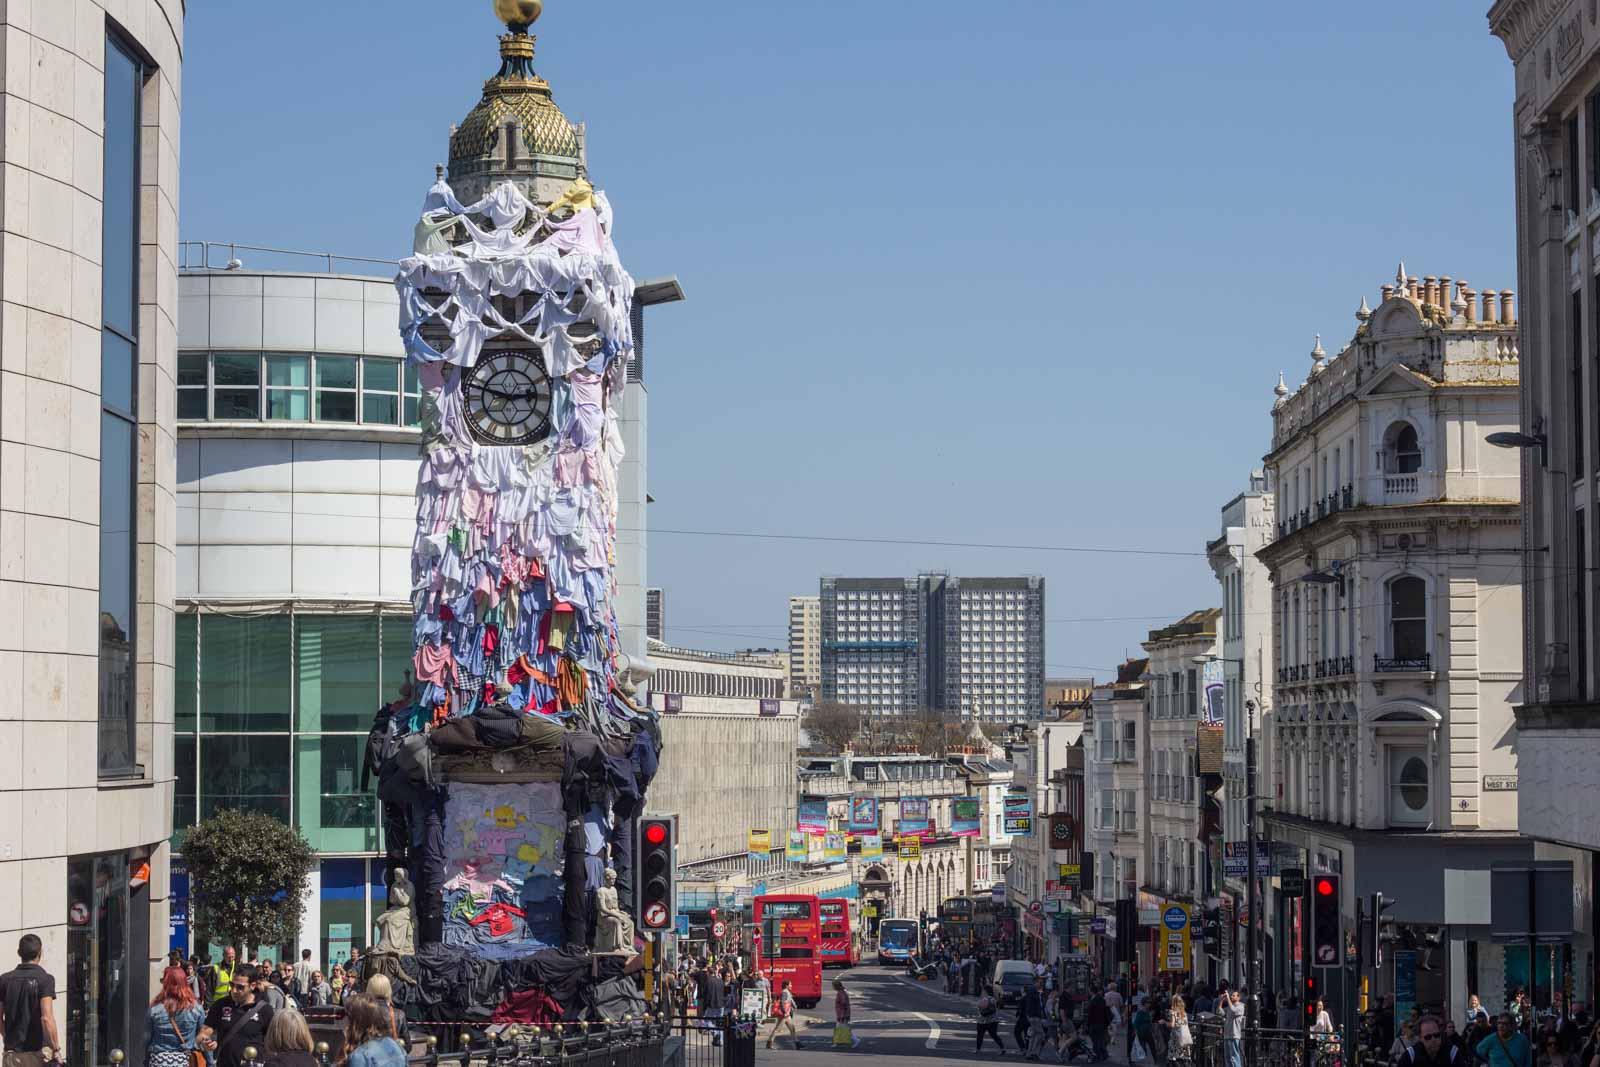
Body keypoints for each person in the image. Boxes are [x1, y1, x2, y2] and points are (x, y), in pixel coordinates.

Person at [0, 934, 62, 1067]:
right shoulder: (45, 979)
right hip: (37, 1054)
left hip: (11, 1055)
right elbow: (47, 1018)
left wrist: (7, 1039)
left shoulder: (4, 980)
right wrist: (56, 1049)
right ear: (40, 953)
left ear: (19, 953)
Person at [198, 966, 275, 1067]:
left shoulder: (265, 1010)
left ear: (252, 985)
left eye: (240, 987)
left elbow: (274, 1044)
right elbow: (203, 1034)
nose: (234, 990)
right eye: (231, 985)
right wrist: (205, 1042)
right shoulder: (221, 1005)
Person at [145, 967, 205, 1067]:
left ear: (166, 984)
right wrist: (210, 1063)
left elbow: (147, 1038)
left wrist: (146, 1058)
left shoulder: (155, 1008)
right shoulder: (196, 1008)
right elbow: (203, 1038)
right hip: (185, 1061)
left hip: (159, 1060)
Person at [337, 995, 404, 1067]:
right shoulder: (395, 1045)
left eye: (345, 1014)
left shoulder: (359, 1056)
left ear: (355, 1021)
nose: (343, 1019)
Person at [766, 980, 798, 1050]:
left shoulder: (787, 992)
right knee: (777, 1029)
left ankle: (797, 1043)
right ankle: (769, 1043)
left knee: (792, 1028)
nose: (791, 986)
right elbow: (782, 1003)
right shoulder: (784, 992)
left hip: (787, 1015)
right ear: (786, 986)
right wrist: (784, 1012)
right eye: (790, 984)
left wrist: (795, 1006)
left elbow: (790, 1000)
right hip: (783, 1015)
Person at [977, 983, 1007, 1054]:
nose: (982, 992)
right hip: (993, 1020)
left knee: (980, 1035)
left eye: (983, 990)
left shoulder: (986, 999)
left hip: (984, 1020)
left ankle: (978, 1049)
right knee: (994, 1035)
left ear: (985, 991)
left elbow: (982, 1006)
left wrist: (981, 1006)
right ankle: (1002, 1048)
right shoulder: (993, 999)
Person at [1085, 986, 1112, 1062]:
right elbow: (1105, 1012)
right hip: (1102, 1023)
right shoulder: (1102, 1000)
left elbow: (1090, 1015)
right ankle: (1103, 1054)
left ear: (1091, 991)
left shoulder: (1092, 1001)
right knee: (1100, 1039)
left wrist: (1087, 1024)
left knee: (1095, 1040)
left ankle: (1098, 1055)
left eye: (1089, 991)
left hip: (1094, 1023)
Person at [1221, 988, 1246, 1067]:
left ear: (1238, 997)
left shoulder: (1241, 1006)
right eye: (1231, 995)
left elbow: (1233, 1011)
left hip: (1234, 1034)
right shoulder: (1229, 1006)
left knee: (1234, 1057)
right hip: (1227, 1034)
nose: (1231, 997)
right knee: (1227, 1058)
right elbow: (1219, 1012)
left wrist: (1228, 998)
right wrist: (1221, 1001)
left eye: (1233, 995)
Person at [1168, 995, 1193, 1064]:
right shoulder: (1184, 1013)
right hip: (1185, 1037)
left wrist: (1164, 1022)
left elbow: (1172, 1025)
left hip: (1175, 1038)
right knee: (1182, 1057)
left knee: (1174, 1058)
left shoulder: (1173, 1012)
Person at [833, 979, 851, 1046]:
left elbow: (843, 1004)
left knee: (840, 1028)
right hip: (843, 1014)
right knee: (842, 1028)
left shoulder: (841, 993)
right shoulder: (841, 992)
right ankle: (839, 1042)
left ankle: (856, 1040)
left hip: (842, 1014)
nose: (833, 988)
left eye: (833, 986)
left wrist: (842, 1016)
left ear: (836, 986)